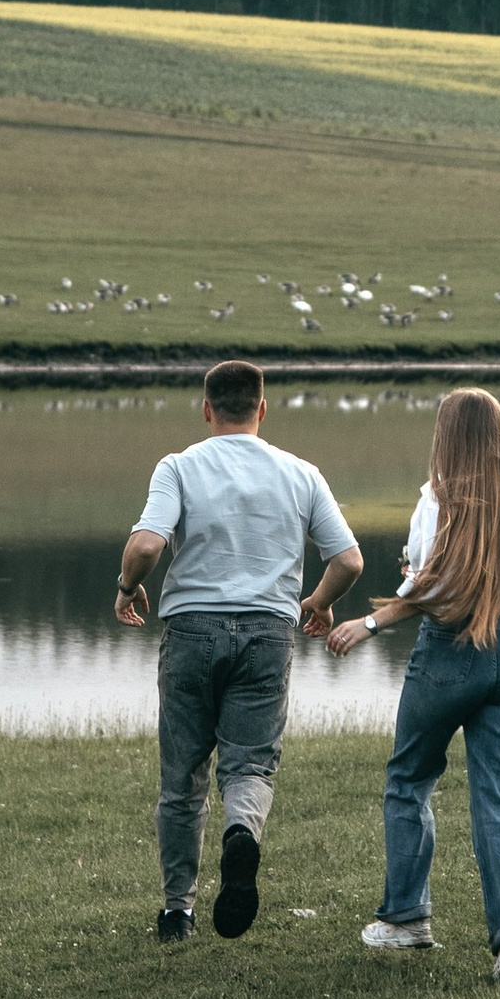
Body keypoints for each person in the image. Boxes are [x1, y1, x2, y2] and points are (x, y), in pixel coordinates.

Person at [117, 359, 362, 944]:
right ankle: (242, 832)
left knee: (182, 777)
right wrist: (319, 604)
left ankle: (178, 912)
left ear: (206, 409)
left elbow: (148, 544)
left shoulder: (178, 467)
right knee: (249, 764)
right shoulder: (301, 472)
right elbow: (348, 560)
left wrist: (127, 587)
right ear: (262, 407)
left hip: (192, 631)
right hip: (268, 633)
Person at [328, 386, 500, 980]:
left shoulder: (437, 499)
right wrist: (423, 576)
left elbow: (433, 589)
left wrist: (370, 622)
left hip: (450, 652)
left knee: (409, 779)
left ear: (446, 436)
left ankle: (406, 918)